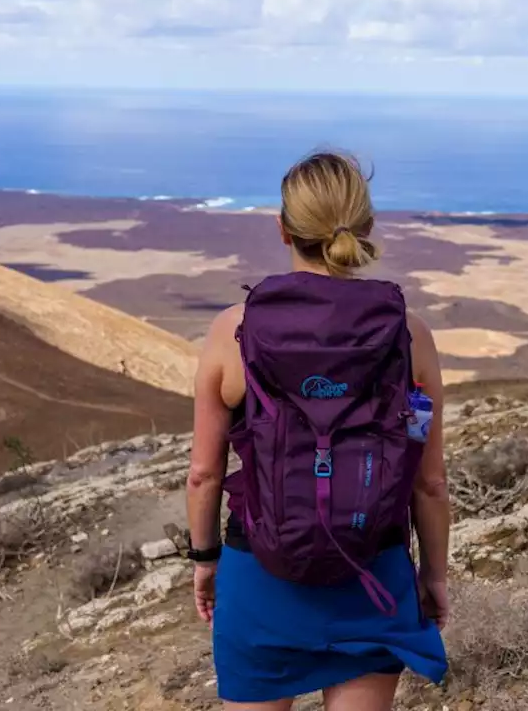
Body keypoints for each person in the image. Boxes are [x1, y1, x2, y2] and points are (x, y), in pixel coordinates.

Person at [186, 150, 451, 710]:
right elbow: (429, 483)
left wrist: (205, 560)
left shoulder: (232, 331)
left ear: (283, 229)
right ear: (367, 227)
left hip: (259, 577)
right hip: (373, 577)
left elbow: (204, 474)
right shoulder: (410, 335)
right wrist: (433, 577)